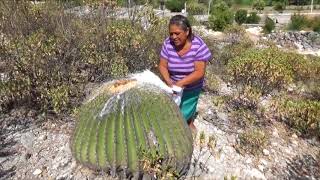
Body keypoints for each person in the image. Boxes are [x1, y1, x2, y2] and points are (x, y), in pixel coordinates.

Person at [158, 15, 212, 131]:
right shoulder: (168, 44)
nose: (173, 37)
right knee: (171, 113)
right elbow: (162, 65)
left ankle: (189, 121)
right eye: (171, 33)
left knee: (186, 111)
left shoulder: (198, 45)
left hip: (192, 85)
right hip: (172, 84)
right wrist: (168, 81)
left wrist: (181, 83)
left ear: (187, 31)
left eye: (177, 33)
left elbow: (199, 72)